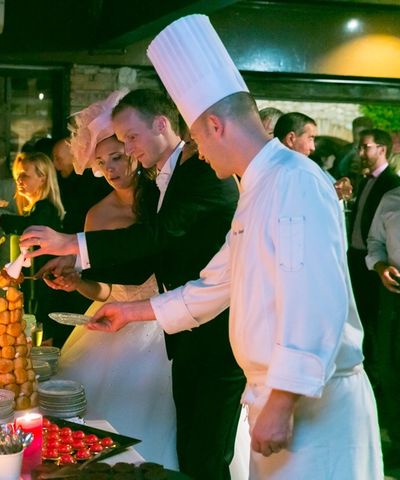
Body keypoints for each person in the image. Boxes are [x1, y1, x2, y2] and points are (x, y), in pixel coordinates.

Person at [83, 14, 382, 479]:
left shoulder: (295, 181)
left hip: (313, 405)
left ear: (217, 126)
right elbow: (215, 283)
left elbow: (315, 297)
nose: (198, 151)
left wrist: (282, 400)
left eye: (199, 136)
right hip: (276, 397)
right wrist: (131, 312)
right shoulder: (256, 187)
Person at [21, 88, 246, 480]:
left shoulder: (201, 171)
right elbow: (145, 263)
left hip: (216, 336)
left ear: (161, 124)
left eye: (129, 139)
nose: (126, 150)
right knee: (190, 450)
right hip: (184, 330)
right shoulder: (163, 180)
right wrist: (80, 273)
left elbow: (159, 235)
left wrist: (72, 243)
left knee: (207, 457)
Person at [49, 91, 178, 469]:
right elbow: (106, 289)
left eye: (118, 158)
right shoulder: (96, 215)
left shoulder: (162, 201)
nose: (111, 169)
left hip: (161, 321)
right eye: (102, 163)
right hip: (110, 317)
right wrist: (77, 282)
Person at [0, 151, 72, 346]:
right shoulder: (40, 207)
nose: (19, 181)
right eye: (17, 176)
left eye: (25, 175)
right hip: (42, 287)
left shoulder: (45, 209)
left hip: (46, 289)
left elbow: (29, 226)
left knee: (43, 340)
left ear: (42, 178)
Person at [347, 128, 400, 384]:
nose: (360, 152)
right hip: (369, 268)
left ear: (383, 149)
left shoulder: (390, 183)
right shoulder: (387, 193)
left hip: (376, 270)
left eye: (365, 146)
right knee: (369, 327)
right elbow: (373, 237)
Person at [366, 185, 400, 470]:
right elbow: (374, 242)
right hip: (394, 296)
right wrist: (380, 267)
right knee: (390, 369)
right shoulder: (391, 199)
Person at [51, 136, 112, 234]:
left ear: (74, 157)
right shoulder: (61, 181)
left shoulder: (93, 183)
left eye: (58, 159)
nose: (54, 165)